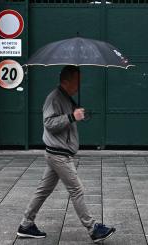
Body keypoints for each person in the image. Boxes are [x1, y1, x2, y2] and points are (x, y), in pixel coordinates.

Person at [17, 65, 115, 243]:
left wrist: (77, 113)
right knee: (77, 189)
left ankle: (25, 225)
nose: (79, 85)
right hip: (58, 154)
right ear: (66, 81)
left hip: (57, 152)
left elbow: (67, 118)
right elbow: (49, 123)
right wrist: (71, 117)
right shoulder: (53, 98)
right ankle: (93, 229)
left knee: (43, 191)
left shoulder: (65, 97)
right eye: (77, 81)